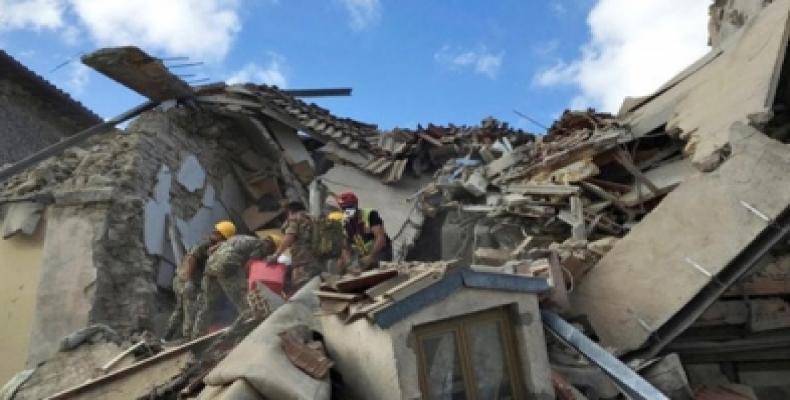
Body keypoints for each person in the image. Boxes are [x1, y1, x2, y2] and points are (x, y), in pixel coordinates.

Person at [164, 220, 235, 340]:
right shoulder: (205, 244)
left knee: (181, 308)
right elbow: (191, 259)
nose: (214, 232)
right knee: (190, 306)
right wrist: (188, 280)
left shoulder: (213, 245)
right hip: (185, 279)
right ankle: (187, 337)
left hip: (185, 279)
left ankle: (168, 335)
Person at [192, 234, 274, 337]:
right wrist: (246, 280)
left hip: (211, 266)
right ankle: (253, 330)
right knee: (244, 300)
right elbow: (250, 264)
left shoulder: (239, 237)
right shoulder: (262, 246)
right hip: (227, 264)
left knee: (208, 303)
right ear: (271, 246)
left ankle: (197, 334)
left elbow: (211, 250)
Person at [268, 201, 318, 293]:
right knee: (316, 287)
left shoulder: (295, 219)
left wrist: (276, 255)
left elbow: (289, 237)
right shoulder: (313, 219)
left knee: (302, 288)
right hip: (318, 259)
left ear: (290, 211)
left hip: (303, 260)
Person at [336, 191, 392, 271]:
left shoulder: (370, 215)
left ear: (355, 206)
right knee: (342, 264)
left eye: (348, 208)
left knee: (379, 269)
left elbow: (381, 238)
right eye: (343, 209)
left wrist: (371, 257)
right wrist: (349, 264)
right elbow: (345, 247)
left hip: (380, 251)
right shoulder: (344, 223)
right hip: (363, 253)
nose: (346, 211)